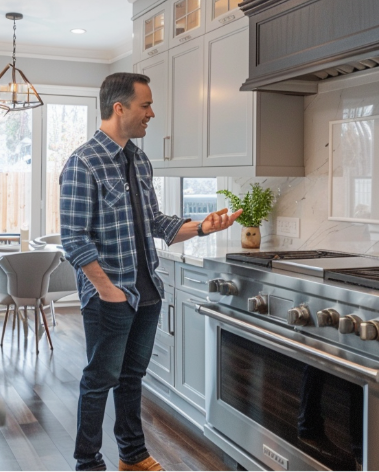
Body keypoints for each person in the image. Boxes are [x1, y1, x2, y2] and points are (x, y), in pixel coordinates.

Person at [60, 72, 242, 472]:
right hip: (112, 296)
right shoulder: (83, 162)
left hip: (148, 293)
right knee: (99, 381)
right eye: (146, 105)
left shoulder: (139, 160)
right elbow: (73, 239)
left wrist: (203, 227)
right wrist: (107, 290)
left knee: (131, 379)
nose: (152, 113)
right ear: (119, 107)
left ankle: (132, 455)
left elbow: (156, 222)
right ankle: (88, 463)